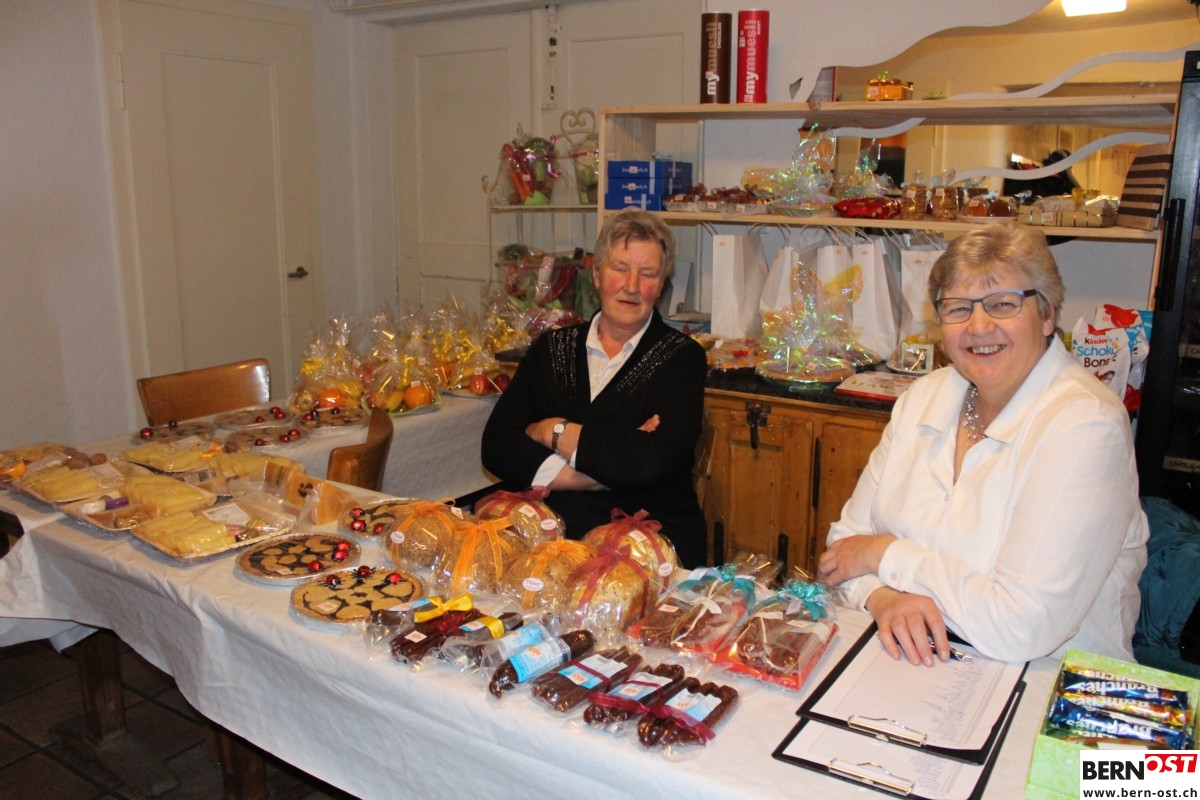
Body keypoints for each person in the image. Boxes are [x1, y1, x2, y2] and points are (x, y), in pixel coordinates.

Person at [817, 223, 1148, 665]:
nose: (978, 326)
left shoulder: (1087, 425)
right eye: (958, 308)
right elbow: (842, 550)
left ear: (1047, 315)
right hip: (915, 662)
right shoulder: (924, 396)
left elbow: (1021, 628)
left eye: (1003, 304)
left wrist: (883, 553)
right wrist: (883, 598)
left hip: (1043, 681)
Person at [481, 208, 709, 567]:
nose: (632, 286)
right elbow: (497, 446)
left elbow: (651, 463)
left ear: (662, 285)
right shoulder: (552, 348)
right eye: (620, 268)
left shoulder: (681, 358)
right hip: (549, 537)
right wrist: (591, 471)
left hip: (648, 542)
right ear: (597, 275)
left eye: (648, 273)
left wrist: (552, 430)